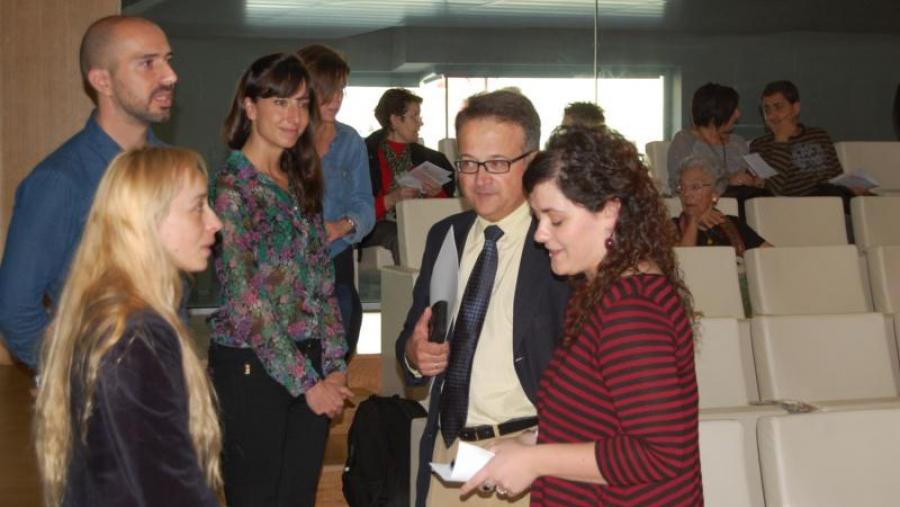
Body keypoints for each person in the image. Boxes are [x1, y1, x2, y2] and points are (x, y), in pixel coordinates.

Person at [461, 126, 703, 505]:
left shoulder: (631, 309)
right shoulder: (598, 293)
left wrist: (535, 461)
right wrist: (528, 444)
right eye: (537, 218)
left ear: (609, 211)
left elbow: (659, 452)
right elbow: (601, 422)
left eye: (556, 220)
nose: (540, 235)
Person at [396, 90, 570, 506]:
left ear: (532, 162)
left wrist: (540, 445)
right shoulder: (446, 236)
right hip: (452, 458)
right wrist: (415, 355)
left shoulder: (559, 243)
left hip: (531, 459)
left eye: (497, 163)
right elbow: (412, 336)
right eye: (469, 163)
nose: (480, 179)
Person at [34, 147, 223, 507]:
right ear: (148, 219)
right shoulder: (137, 336)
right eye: (198, 206)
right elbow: (170, 487)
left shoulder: (109, 315)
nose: (216, 222)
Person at [210, 52, 353, 507]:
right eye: (280, 103)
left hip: (310, 360)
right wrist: (308, 383)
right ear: (250, 106)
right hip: (251, 365)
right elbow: (246, 301)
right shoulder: (232, 187)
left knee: (297, 497)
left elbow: (322, 278)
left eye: (302, 103)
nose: (294, 117)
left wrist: (334, 362)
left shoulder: (299, 177)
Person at [0, 15, 177, 369]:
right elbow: (15, 310)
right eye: (147, 63)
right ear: (101, 81)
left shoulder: (172, 169)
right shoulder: (60, 180)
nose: (170, 76)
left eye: (168, 60)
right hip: (103, 392)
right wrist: (74, 378)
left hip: (167, 381)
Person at [298, 44, 374, 358]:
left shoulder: (350, 141)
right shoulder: (283, 140)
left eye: (341, 90)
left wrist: (342, 226)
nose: (337, 99)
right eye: (328, 91)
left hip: (336, 260)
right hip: (291, 268)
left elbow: (365, 204)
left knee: (338, 355)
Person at [361, 88, 456, 264]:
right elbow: (356, 210)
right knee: (403, 237)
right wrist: (391, 199)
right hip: (377, 226)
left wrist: (436, 193)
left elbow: (448, 206)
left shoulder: (432, 158)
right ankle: (415, 281)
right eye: (415, 116)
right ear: (395, 120)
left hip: (420, 219)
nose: (420, 123)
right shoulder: (365, 155)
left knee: (446, 232)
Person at [749, 80, 861, 209]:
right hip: (799, 207)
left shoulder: (819, 135)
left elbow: (837, 176)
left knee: (869, 200)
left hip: (833, 198)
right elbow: (773, 191)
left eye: (778, 107)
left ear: (796, 108)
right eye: (767, 110)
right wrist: (781, 140)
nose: (772, 116)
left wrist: (851, 189)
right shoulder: (760, 146)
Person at [667, 83, 770, 216]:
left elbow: (750, 175)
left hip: (744, 206)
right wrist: (729, 183)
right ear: (716, 112)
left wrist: (755, 181)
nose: (738, 114)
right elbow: (678, 185)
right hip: (703, 210)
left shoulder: (738, 142)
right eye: (733, 109)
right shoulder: (685, 140)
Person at [673, 156, 771, 256]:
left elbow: (772, 257)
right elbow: (682, 262)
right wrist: (693, 222)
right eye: (682, 187)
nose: (686, 194)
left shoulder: (734, 226)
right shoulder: (670, 227)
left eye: (695, 187)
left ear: (715, 193)